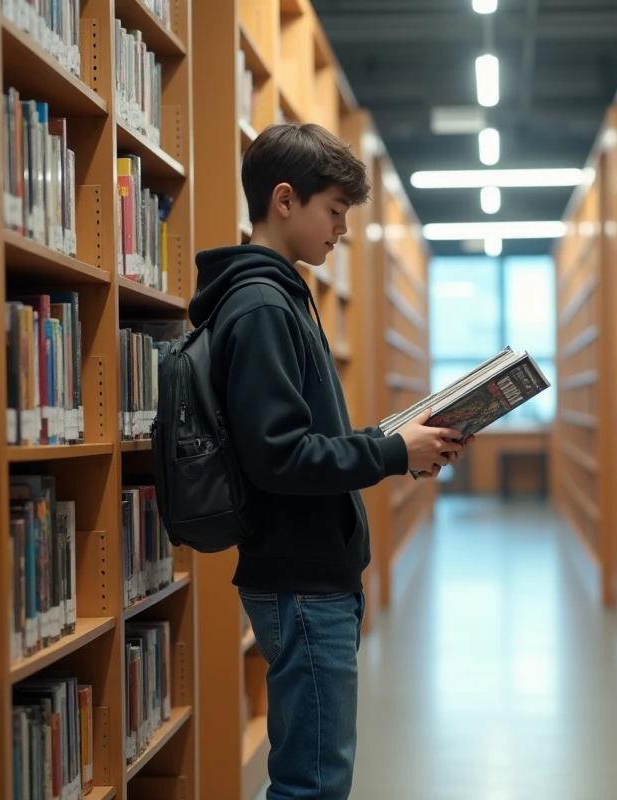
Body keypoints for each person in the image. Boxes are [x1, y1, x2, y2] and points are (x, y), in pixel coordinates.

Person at [187, 122, 470, 800]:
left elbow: (304, 435)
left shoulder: (281, 295)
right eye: (335, 212)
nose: (342, 230)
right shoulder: (260, 305)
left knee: (310, 773)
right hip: (301, 576)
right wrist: (389, 452)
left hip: (312, 574)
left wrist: (401, 442)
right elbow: (279, 456)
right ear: (285, 200)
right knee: (312, 783)